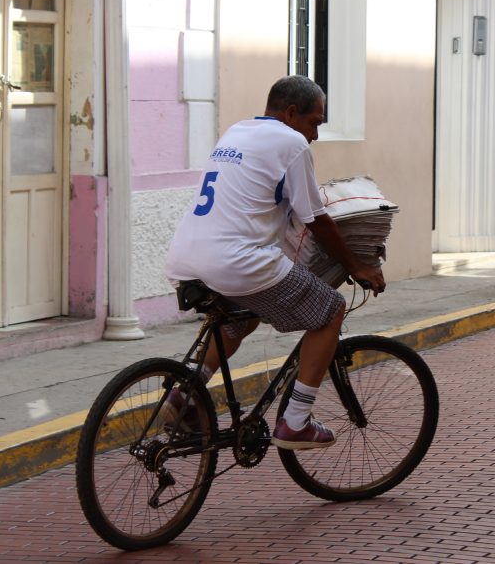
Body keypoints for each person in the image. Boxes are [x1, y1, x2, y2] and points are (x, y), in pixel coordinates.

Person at [165, 75, 386, 449]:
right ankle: (296, 421)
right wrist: (356, 265)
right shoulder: (292, 143)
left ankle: (184, 392)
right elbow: (315, 219)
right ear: (291, 112)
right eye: (315, 122)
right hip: (236, 261)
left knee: (244, 313)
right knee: (330, 310)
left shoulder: (237, 131)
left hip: (186, 256)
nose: (315, 135)